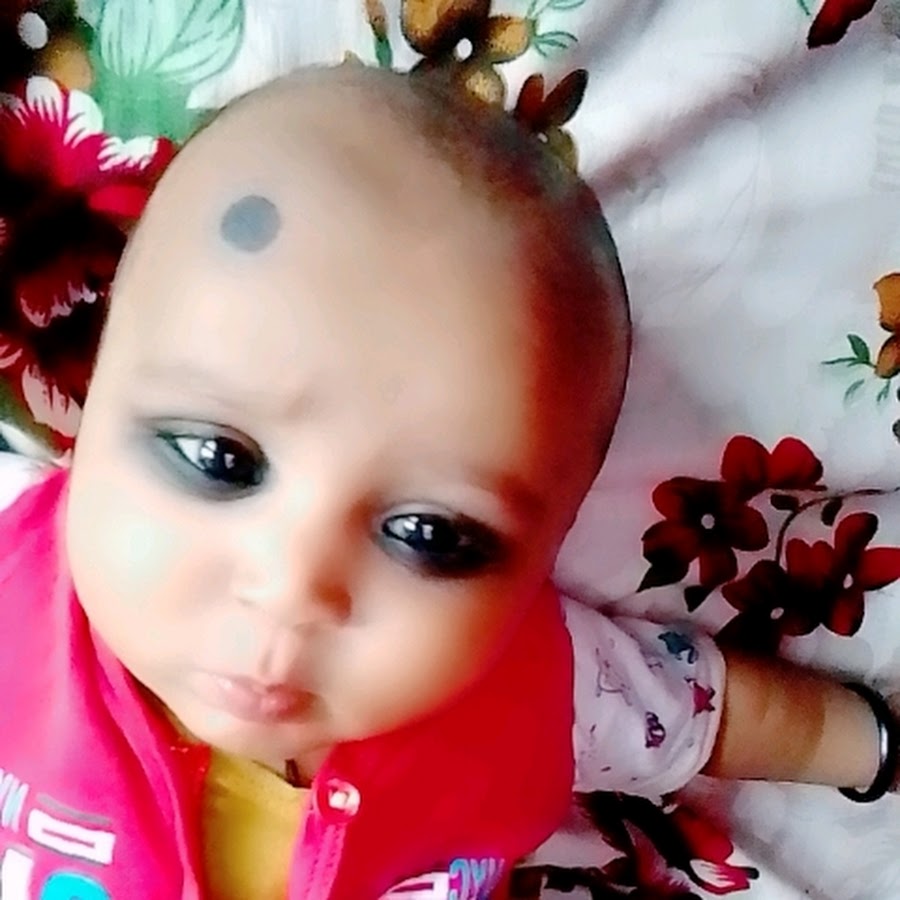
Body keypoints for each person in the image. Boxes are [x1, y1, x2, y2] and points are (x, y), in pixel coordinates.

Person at [0, 61, 895, 900]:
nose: (292, 587)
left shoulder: (535, 691)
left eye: (428, 535)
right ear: (90, 392)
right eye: (216, 459)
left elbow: (715, 715)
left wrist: (875, 746)